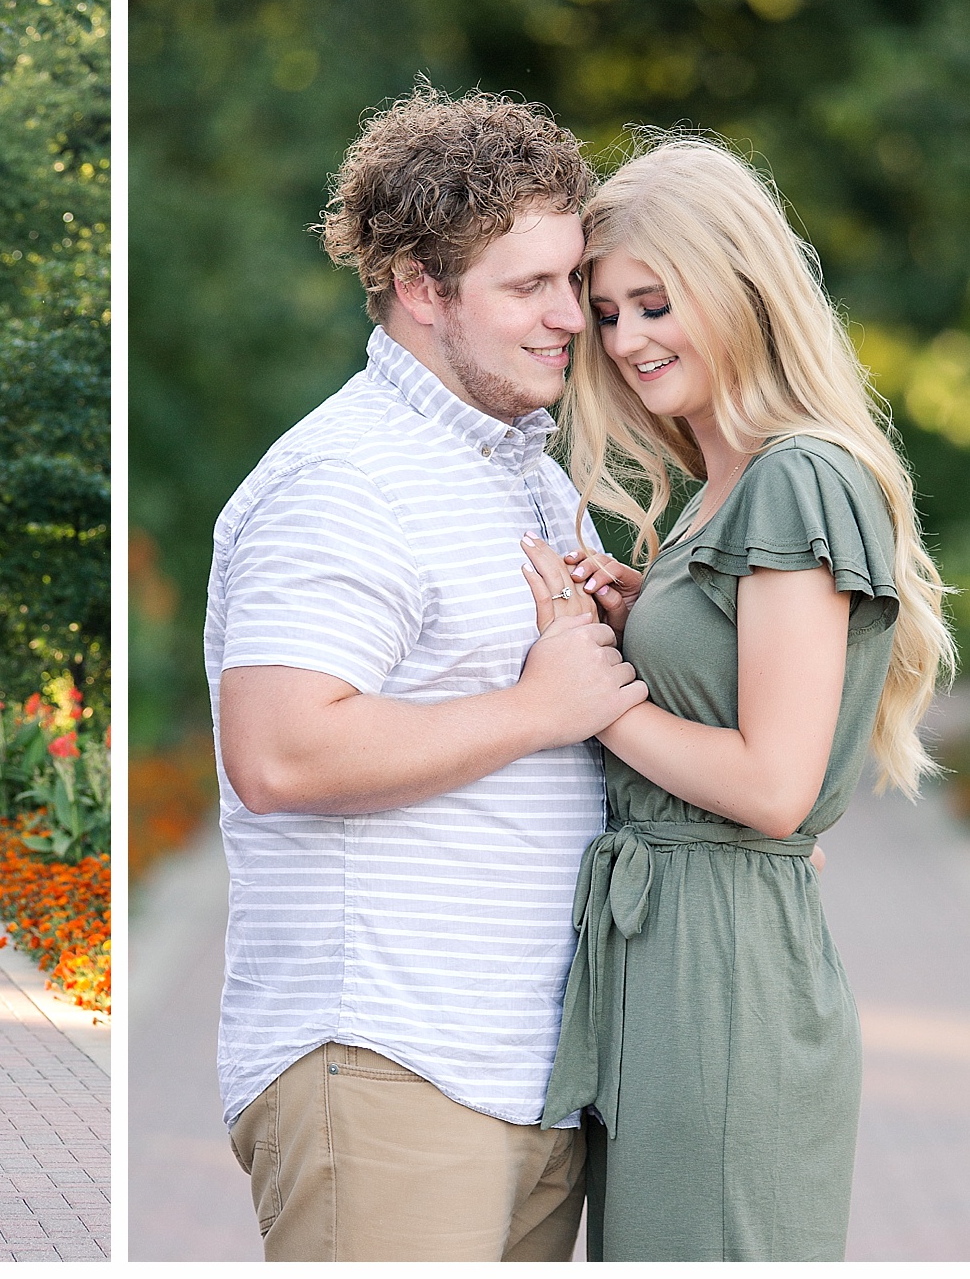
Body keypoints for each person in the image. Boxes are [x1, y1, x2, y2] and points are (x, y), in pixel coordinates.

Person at [206, 80, 649, 1262]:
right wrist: (534, 705)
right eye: (529, 287)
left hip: (525, 1069)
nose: (573, 316)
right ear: (418, 289)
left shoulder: (526, 469)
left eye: (573, 278)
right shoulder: (344, 477)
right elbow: (281, 749)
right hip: (389, 1061)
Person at [524, 136, 955, 1261]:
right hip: (669, 968)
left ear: (740, 287)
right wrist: (635, 621)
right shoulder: (724, 490)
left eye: (656, 302)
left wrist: (593, 691)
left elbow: (773, 784)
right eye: (607, 314)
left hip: (726, 982)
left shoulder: (793, 476)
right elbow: (733, 693)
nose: (628, 341)